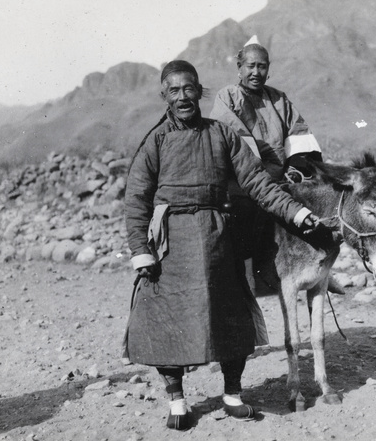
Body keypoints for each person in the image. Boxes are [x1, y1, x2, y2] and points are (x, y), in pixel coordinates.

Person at [124, 60, 320, 431]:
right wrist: (140, 250)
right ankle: (178, 400)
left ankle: (232, 394)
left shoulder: (221, 135)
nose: (183, 97)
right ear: (163, 95)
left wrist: (297, 214)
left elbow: (259, 183)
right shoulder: (156, 141)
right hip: (171, 240)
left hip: (217, 235)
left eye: (189, 89)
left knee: (231, 313)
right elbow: (136, 199)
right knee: (167, 317)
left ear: (200, 91)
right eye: (175, 90)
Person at [209, 36, 345, 295]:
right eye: (250, 66)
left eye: (262, 66)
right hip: (244, 178)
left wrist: (295, 167)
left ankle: (320, 271)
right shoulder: (227, 96)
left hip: (282, 177)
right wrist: (260, 172)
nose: (256, 72)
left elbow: (298, 134)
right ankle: (248, 275)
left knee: (314, 202)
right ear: (239, 67)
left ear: (268, 69)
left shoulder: (279, 99)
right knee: (246, 209)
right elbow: (232, 139)